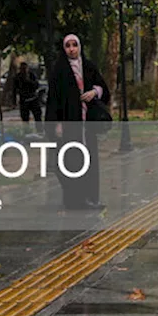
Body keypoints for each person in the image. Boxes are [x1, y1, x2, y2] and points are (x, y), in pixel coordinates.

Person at [47, 33, 109, 209]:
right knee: (71, 161)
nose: (72, 49)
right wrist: (56, 123)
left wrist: (94, 92)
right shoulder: (59, 70)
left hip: (87, 124)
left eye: (75, 45)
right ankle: (74, 198)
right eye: (68, 46)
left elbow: (103, 87)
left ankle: (91, 197)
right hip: (69, 123)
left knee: (89, 160)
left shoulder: (88, 67)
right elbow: (54, 99)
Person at [12, 61, 44, 135]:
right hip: (24, 100)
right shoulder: (17, 77)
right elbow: (14, 90)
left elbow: (36, 85)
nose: (24, 70)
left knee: (37, 116)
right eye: (22, 68)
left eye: (25, 68)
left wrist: (29, 81)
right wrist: (14, 101)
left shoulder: (31, 75)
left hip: (33, 99)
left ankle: (40, 131)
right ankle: (27, 133)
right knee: (25, 118)